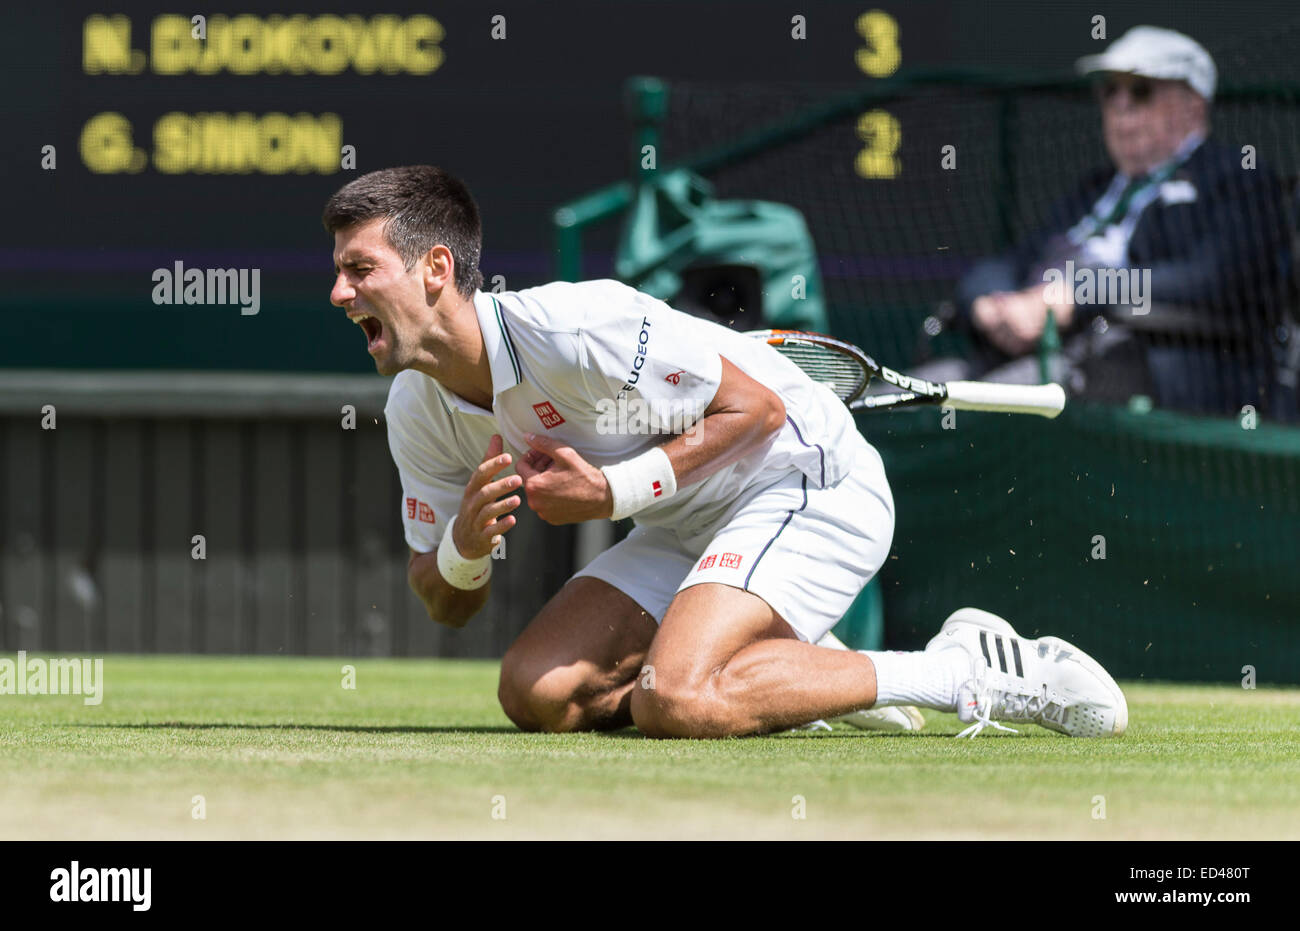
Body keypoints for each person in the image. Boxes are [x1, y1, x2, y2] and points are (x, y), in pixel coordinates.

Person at [323, 165, 1128, 739]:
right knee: (537, 692)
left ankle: (963, 671)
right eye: (337, 273)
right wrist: (466, 546)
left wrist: (609, 492)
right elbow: (441, 594)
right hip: (688, 524)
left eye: (361, 269)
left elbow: (759, 405)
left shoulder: (576, 324)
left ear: (436, 270)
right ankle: (796, 673)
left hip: (804, 480)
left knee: (675, 697)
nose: (339, 293)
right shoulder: (416, 408)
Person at [927, 26, 1294, 417]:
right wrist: (993, 302)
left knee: (963, 411)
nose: (1120, 106)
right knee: (899, 401)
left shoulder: (1236, 176)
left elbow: (1215, 277)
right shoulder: (1097, 187)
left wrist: (1080, 293)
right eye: (1109, 92)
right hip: (1034, 356)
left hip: (1136, 371)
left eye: (1141, 91)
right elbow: (1014, 260)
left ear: (1192, 105)